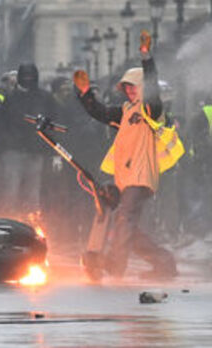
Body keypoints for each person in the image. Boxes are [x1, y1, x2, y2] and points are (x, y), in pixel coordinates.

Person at [73, 31, 177, 279]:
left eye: (133, 87)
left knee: (124, 218)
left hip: (141, 176)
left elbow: (152, 87)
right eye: (127, 88)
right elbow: (100, 113)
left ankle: (115, 265)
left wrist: (147, 59)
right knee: (126, 224)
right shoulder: (127, 110)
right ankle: (164, 263)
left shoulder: (152, 110)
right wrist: (86, 93)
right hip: (126, 176)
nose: (129, 92)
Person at [0, 64, 58, 214]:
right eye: (25, 76)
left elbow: (54, 123)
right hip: (14, 151)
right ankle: (10, 222)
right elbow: (1, 125)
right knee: (11, 191)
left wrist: (53, 153)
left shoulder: (45, 98)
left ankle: (33, 224)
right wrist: (2, 149)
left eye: (30, 75)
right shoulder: (10, 98)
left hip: (35, 151)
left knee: (33, 194)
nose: (28, 79)